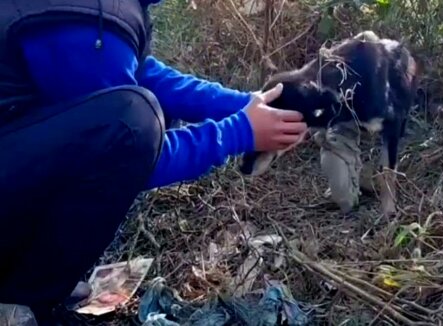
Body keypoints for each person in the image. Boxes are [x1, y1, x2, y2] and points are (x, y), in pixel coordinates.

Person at [0, 0, 308, 324]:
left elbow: (147, 75)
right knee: (135, 119)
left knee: (143, 111)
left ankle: (30, 279)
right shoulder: (87, 19)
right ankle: (20, 296)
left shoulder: (103, 11)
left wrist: (246, 104)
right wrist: (239, 132)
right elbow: (128, 147)